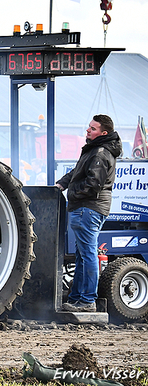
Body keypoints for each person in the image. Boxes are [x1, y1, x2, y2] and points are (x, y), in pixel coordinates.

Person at [56, 114, 122, 312]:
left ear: (104, 133)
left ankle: (87, 301)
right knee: (82, 255)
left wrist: (72, 192)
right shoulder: (94, 150)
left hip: (88, 208)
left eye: (92, 129)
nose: (87, 130)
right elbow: (77, 172)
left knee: (88, 255)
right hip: (88, 208)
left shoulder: (100, 153)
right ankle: (77, 298)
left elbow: (93, 183)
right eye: (88, 127)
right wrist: (61, 184)